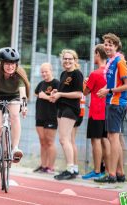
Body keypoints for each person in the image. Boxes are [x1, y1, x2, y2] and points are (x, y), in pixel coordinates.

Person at [0, 47, 30, 178]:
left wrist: (24, 105)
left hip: (13, 97)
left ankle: (15, 148)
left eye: (13, 64)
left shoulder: (19, 73)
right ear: (2, 63)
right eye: (8, 64)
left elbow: (22, 93)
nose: (10, 67)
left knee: (15, 115)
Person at [95, 33, 127, 183]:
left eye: (111, 44)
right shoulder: (111, 61)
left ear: (116, 46)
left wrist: (109, 92)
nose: (107, 46)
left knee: (113, 139)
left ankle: (111, 174)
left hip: (116, 103)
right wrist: (105, 89)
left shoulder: (119, 61)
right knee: (113, 138)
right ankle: (120, 173)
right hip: (111, 102)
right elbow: (113, 83)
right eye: (106, 44)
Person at [50, 49, 84, 180]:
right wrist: (55, 92)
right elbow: (62, 91)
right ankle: (73, 168)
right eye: (65, 59)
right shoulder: (64, 73)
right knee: (66, 139)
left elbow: (78, 93)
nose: (67, 61)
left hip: (71, 109)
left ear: (75, 61)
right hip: (61, 108)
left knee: (64, 139)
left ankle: (70, 169)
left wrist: (61, 94)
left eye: (70, 59)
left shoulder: (77, 74)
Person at [81, 44, 110, 180]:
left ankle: (97, 170)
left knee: (96, 141)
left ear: (98, 54)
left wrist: (85, 82)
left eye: (94, 54)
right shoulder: (110, 71)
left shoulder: (95, 73)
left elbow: (85, 92)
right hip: (108, 110)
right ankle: (109, 170)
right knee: (106, 140)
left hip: (97, 111)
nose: (94, 56)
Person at [34, 63, 59, 174]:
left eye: (46, 71)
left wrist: (46, 96)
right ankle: (43, 165)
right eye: (42, 72)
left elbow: (56, 99)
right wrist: (40, 96)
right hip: (40, 115)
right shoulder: (41, 84)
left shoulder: (56, 83)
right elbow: (36, 94)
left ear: (51, 70)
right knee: (42, 142)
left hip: (51, 116)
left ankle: (51, 167)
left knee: (50, 142)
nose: (44, 74)